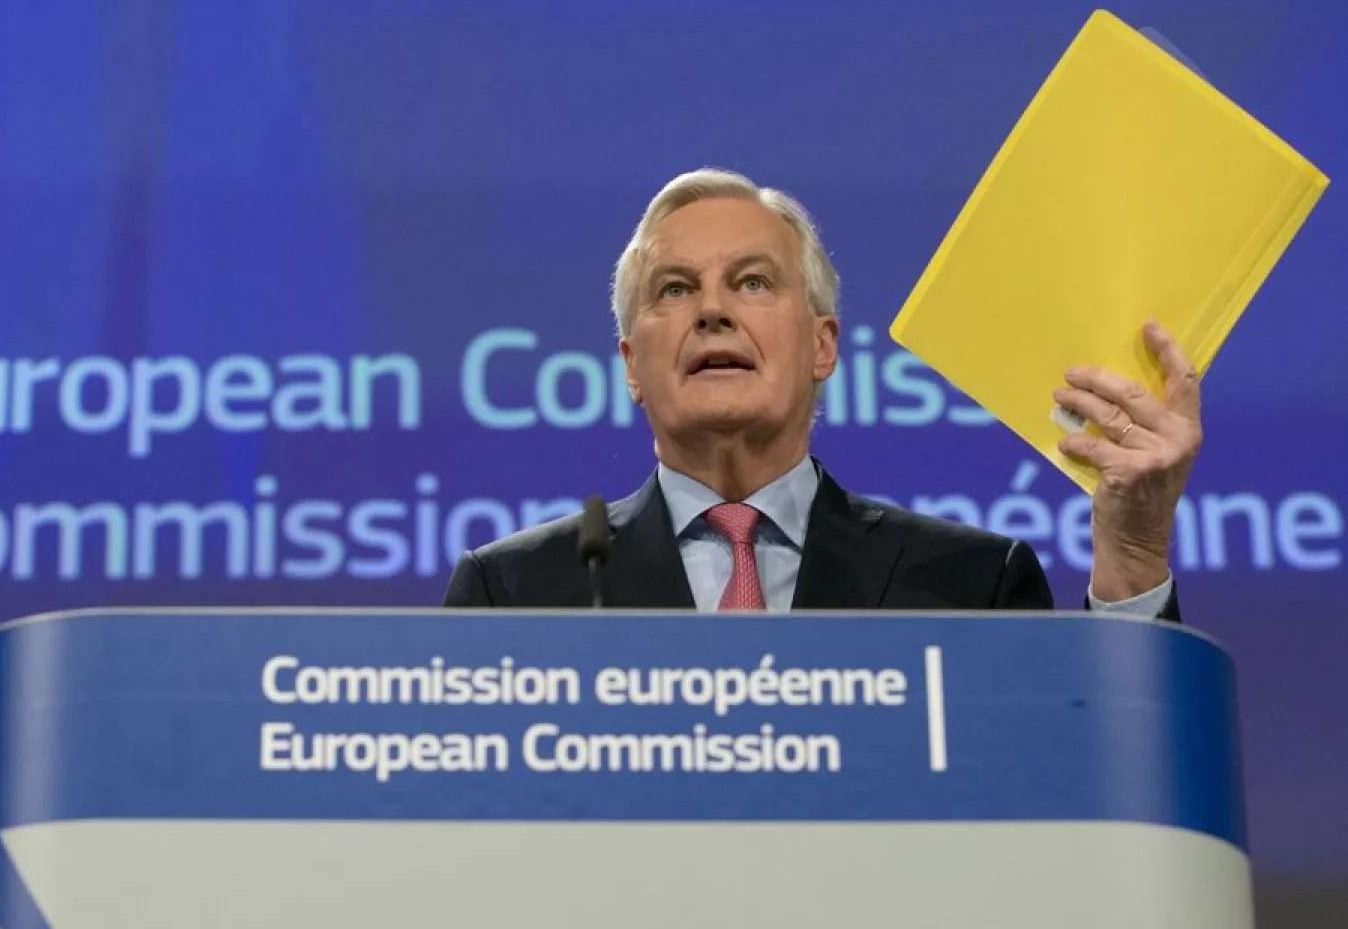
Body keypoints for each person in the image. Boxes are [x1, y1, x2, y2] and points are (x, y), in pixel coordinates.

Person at [444, 169, 1199, 618]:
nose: (713, 309)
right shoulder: (516, 593)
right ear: (631, 366)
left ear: (823, 346)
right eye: (674, 288)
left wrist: (1132, 555)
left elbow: (1085, 793)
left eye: (753, 281)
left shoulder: (972, 584)